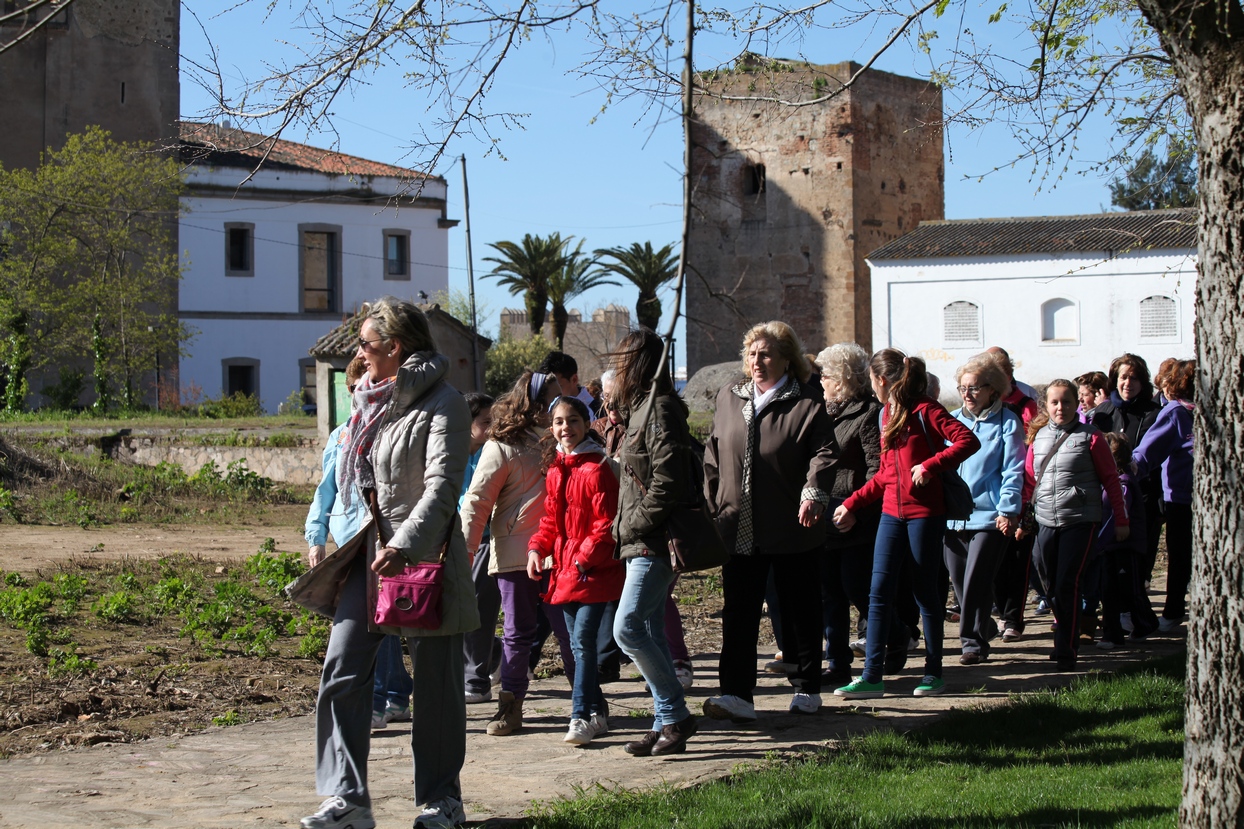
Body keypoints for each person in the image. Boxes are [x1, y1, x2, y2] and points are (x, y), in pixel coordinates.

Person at [299, 297, 477, 829]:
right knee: (342, 671)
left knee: (438, 687)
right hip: (366, 557)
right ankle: (347, 800)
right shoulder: (363, 402)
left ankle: (441, 800)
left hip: (423, 560)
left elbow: (444, 485)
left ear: (395, 348)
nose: (359, 354)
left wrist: (405, 543)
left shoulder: (445, 403)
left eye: (366, 345)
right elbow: (347, 478)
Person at [703, 321, 838, 722]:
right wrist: (712, 501)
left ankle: (807, 687)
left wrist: (813, 493)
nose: (757, 362)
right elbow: (713, 449)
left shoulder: (807, 401)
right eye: (751, 354)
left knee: (800, 609)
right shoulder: (731, 396)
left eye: (765, 354)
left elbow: (825, 452)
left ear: (785, 359)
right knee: (739, 611)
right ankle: (737, 695)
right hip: (737, 525)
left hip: (790, 524)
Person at [832, 349, 979, 699]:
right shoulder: (885, 415)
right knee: (878, 593)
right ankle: (871, 677)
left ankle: (933, 673)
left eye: (871, 380)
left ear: (881, 380)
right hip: (889, 515)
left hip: (925, 515)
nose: (872, 386)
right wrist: (852, 504)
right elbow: (886, 474)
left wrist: (930, 465)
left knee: (926, 593)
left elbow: (967, 441)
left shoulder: (927, 410)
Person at [459, 369, 572, 736]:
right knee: (517, 632)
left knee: (572, 632)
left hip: (561, 555)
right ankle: (509, 708)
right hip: (515, 554)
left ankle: (587, 704)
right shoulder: (503, 444)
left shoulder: (566, 441)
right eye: (553, 397)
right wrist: (465, 553)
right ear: (535, 402)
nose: (560, 402)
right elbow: (476, 502)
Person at [305, 361, 411, 733]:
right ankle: (396, 694)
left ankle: (380, 700)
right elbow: (327, 489)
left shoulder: (392, 430)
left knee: (377, 619)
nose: (361, 394)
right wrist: (316, 534)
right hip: (347, 539)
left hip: (383, 540)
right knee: (376, 619)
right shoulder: (340, 436)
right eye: (355, 388)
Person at [611, 328, 701, 756]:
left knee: (626, 627)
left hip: (655, 540)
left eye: (622, 360)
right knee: (649, 630)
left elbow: (668, 483)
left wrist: (633, 526)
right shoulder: (638, 411)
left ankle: (676, 714)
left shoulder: (662, 410)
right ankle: (665, 721)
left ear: (638, 364)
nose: (616, 368)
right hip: (639, 539)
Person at [527, 396, 623, 746]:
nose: (565, 428)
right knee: (575, 645)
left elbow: (606, 523)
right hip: (565, 571)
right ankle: (597, 710)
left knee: (582, 644)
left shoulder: (597, 468)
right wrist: (537, 548)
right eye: (558, 422)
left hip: (592, 570)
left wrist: (583, 559)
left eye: (572, 421)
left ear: (586, 425)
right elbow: (550, 519)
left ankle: (581, 715)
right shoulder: (556, 469)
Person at [813, 342, 908, 686]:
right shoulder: (821, 411)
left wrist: (856, 507)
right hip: (823, 512)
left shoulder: (869, 412)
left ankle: (896, 639)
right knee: (829, 595)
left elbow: (876, 468)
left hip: (855, 515)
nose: (820, 379)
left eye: (825, 374)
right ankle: (836, 663)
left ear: (840, 379)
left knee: (857, 589)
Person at [1021, 379, 1129, 670]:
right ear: (1046, 405)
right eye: (1055, 402)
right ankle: (1067, 635)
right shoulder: (1039, 437)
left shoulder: (1091, 437)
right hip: (1044, 520)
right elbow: (1030, 482)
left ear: (1076, 404)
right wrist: (1023, 518)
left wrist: (1121, 519)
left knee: (1068, 582)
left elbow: (1111, 481)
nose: (1060, 408)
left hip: (1080, 520)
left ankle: (1067, 648)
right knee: (1048, 581)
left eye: (1067, 402)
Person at [943, 354, 1025, 665]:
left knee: (977, 579)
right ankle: (984, 626)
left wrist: (1008, 509)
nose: (967, 394)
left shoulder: (1008, 422)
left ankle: (972, 644)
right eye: (963, 388)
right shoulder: (951, 420)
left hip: (990, 516)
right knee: (960, 578)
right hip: (953, 516)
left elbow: (1013, 469)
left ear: (993, 389)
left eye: (975, 388)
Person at [1132, 359, 1195, 633]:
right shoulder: (1176, 413)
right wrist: (1120, 474)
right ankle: (1173, 611)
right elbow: (1146, 453)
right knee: (1181, 556)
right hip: (1182, 500)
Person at [1104, 354, 1164, 586]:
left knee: (1137, 562)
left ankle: (1134, 607)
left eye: (1134, 378)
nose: (1128, 383)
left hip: (1142, 497)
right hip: (1107, 496)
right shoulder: (1104, 412)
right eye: (1123, 377)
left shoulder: (1153, 414)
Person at [1095, 431, 1156, 649]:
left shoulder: (1124, 483)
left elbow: (1117, 515)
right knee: (1109, 590)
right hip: (1110, 547)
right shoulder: (1109, 481)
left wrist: (1098, 543)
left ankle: (1144, 623)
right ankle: (1112, 633)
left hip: (1125, 547)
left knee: (1129, 590)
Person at [460, 392, 499, 705]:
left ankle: (476, 679)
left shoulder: (493, 453)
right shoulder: (447, 453)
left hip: (487, 537)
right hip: (451, 541)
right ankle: (495, 655)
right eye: (485, 422)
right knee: (456, 605)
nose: (491, 428)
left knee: (476, 604)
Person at [538, 351, 602, 418]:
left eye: (558, 387)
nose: (552, 394)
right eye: (547, 389)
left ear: (574, 380)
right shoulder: (543, 413)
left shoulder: (598, 412)